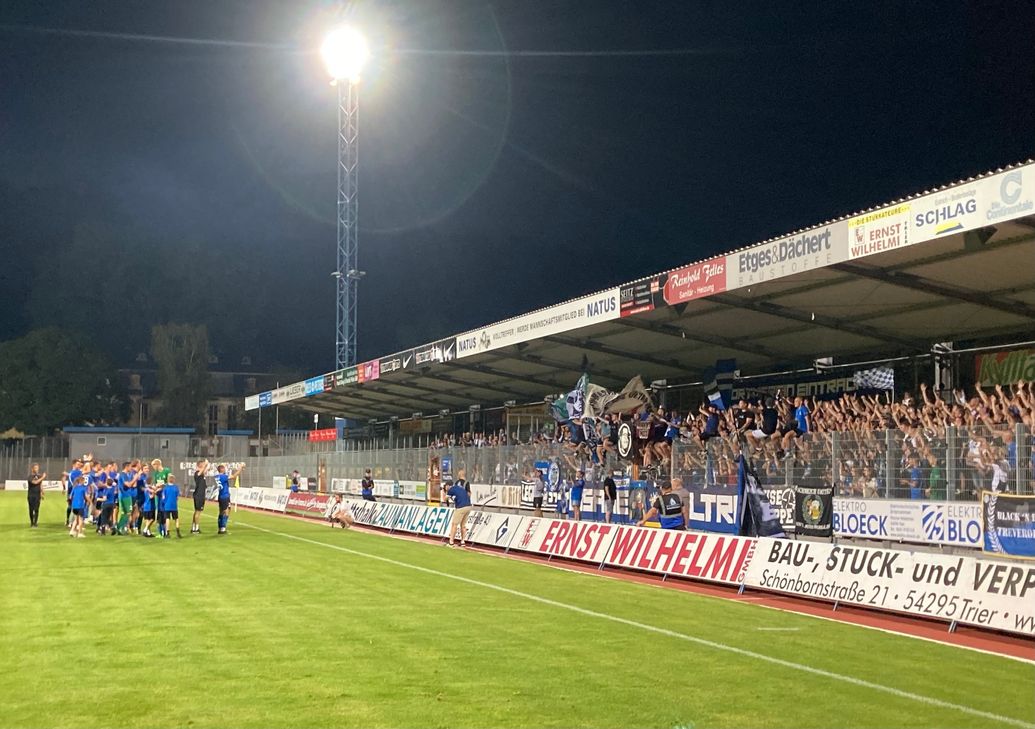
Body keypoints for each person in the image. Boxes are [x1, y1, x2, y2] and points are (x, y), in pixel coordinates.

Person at [215, 463, 244, 534]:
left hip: (220, 496)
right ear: (222, 469)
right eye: (224, 468)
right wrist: (240, 469)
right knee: (226, 511)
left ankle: (220, 527)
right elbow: (234, 476)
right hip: (225, 496)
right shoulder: (223, 477)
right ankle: (223, 528)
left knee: (221, 511)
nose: (225, 469)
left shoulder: (217, 476)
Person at [444, 478, 473, 547]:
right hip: (468, 506)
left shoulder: (450, 490)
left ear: (448, 486)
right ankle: (463, 542)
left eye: (446, 486)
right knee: (463, 525)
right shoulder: (459, 488)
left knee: (454, 524)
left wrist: (445, 492)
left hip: (461, 507)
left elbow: (445, 499)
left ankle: (451, 542)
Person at [161, 474, 182, 538]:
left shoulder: (165, 488)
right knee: (176, 519)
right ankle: (178, 532)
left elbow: (163, 498)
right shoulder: (176, 488)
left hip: (167, 506)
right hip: (174, 506)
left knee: (167, 519)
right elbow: (177, 497)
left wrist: (164, 503)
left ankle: (167, 533)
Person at [191, 460, 209, 534]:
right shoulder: (197, 473)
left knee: (196, 511)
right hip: (199, 495)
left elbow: (206, 469)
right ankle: (196, 529)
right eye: (202, 464)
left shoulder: (202, 474)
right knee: (198, 512)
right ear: (199, 465)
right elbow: (202, 471)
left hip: (199, 495)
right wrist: (205, 465)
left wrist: (207, 465)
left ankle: (193, 527)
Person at [27, 463, 45, 527]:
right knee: (31, 509)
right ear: (32, 469)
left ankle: (35, 523)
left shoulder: (39, 476)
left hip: (37, 495)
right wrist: (43, 477)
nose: (37, 469)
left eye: (37, 468)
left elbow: (40, 484)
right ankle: (32, 522)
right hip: (31, 495)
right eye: (35, 468)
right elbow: (35, 482)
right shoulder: (30, 477)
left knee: (37, 509)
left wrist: (42, 492)